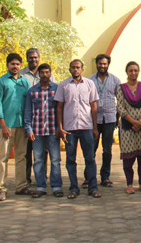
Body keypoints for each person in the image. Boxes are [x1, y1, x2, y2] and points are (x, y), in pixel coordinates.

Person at [55, 59, 101, 199]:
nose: (75, 69)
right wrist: (60, 128)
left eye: (78, 67)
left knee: (90, 159)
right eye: (73, 67)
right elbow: (59, 107)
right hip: (70, 129)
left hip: (87, 127)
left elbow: (93, 106)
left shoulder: (89, 84)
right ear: (70, 69)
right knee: (70, 160)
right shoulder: (63, 85)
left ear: (82, 69)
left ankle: (93, 188)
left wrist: (95, 127)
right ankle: (74, 188)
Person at [0, 53, 32, 201]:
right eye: (12, 64)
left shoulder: (25, 82)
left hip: (22, 125)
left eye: (17, 64)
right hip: (7, 125)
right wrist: (3, 125)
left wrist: (28, 126)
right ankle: (2, 189)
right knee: (4, 157)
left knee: (21, 157)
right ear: (7, 65)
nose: (15, 66)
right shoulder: (1, 82)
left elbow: (28, 104)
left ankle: (21, 186)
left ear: (21, 66)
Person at [19, 48, 57, 187]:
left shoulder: (47, 73)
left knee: (44, 152)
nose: (33, 60)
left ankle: (42, 178)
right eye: (31, 57)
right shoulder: (22, 75)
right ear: (27, 58)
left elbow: (55, 94)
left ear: (39, 58)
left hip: (45, 121)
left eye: (35, 57)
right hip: (28, 116)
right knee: (27, 151)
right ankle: (27, 179)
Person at [24, 63, 63, 198]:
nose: (45, 75)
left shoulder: (57, 89)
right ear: (38, 74)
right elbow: (28, 111)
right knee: (38, 160)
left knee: (55, 160)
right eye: (42, 72)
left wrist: (60, 128)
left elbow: (61, 110)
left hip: (53, 131)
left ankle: (56, 187)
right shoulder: (32, 91)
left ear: (50, 74)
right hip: (37, 131)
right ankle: (40, 187)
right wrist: (29, 129)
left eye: (47, 72)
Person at [85, 54, 121, 189]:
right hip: (93, 120)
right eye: (100, 63)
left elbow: (120, 100)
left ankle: (105, 177)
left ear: (108, 65)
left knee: (107, 150)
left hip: (110, 119)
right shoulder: (89, 81)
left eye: (104, 64)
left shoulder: (115, 80)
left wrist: (117, 118)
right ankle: (88, 177)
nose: (102, 66)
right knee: (91, 149)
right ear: (96, 64)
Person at [116, 61, 141, 194]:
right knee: (128, 158)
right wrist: (133, 122)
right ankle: (130, 184)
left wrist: (140, 122)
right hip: (127, 127)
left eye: (135, 70)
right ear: (127, 72)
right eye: (130, 70)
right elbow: (120, 107)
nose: (133, 73)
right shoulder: (121, 89)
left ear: (138, 72)